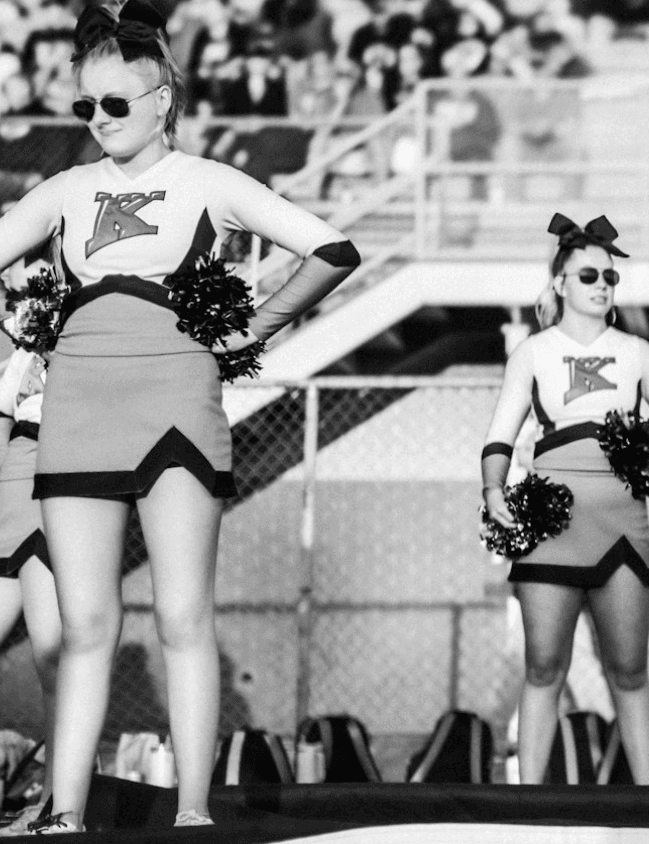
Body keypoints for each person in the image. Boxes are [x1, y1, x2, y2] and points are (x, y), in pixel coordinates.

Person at [0, 3, 360, 831]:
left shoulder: (210, 182)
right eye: (84, 106)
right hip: (76, 407)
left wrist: (254, 327)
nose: (96, 122)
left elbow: (332, 251)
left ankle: (193, 813)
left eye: (115, 105)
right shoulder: (66, 190)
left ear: (164, 98)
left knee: (182, 614)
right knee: (85, 627)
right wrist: (18, 332)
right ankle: (66, 815)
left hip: (176, 405)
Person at [481, 214, 649, 786]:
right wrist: (492, 488)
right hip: (551, 518)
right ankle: (528, 802)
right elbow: (500, 437)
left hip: (622, 521)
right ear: (559, 283)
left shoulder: (636, 351)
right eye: (587, 275)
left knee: (628, 670)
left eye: (609, 276)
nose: (601, 284)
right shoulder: (532, 353)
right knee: (543, 666)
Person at [0, 343, 55, 836]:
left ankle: (58, 802)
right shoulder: (23, 346)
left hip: (58, 490)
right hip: (10, 495)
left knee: (55, 659)